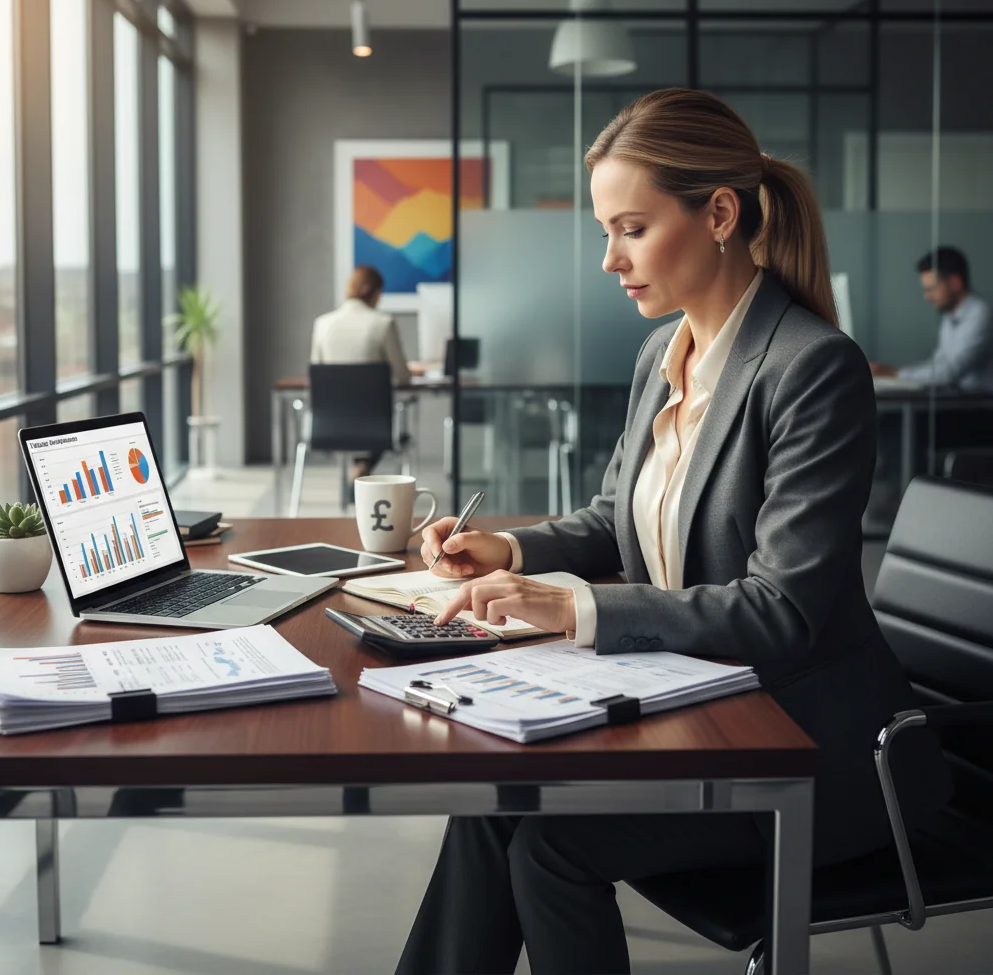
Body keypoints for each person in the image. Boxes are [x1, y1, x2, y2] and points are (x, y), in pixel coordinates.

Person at [397, 89, 950, 975]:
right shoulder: (663, 353)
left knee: (551, 845)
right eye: (605, 232)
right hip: (703, 707)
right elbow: (616, 517)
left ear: (719, 215)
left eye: (632, 229)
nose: (610, 259)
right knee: (493, 803)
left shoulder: (812, 369)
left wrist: (573, 609)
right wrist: (510, 550)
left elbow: (779, 611)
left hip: (818, 750)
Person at [309, 265, 418, 481]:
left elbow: (316, 370)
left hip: (329, 425)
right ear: (376, 293)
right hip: (376, 427)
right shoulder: (383, 324)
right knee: (377, 419)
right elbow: (403, 376)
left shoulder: (322, 324)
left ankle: (360, 468)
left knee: (355, 418)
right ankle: (363, 467)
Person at [871, 246, 993, 391]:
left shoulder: (981, 314)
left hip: (978, 402)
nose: (927, 297)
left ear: (955, 283)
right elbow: (938, 365)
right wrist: (895, 373)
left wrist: (895, 373)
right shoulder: (950, 317)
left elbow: (950, 372)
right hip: (956, 398)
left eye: (932, 289)